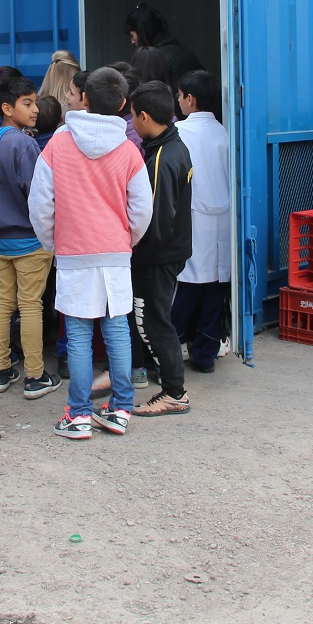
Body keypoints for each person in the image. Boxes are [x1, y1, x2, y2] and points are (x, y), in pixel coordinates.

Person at [29, 67, 151, 440]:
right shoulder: (129, 149)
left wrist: (52, 241)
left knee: (79, 334)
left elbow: (40, 204)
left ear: (84, 98)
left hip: (72, 252)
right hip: (115, 252)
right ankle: (120, 409)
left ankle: (79, 414)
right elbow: (142, 208)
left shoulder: (58, 144)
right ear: (124, 104)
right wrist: (125, 238)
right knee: (117, 330)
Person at [0, 76, 61, 400]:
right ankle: (35, 375)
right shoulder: (23, 144)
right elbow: (37, 192)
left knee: (2, 303)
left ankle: (1, 370)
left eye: (35, 101)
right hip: (29, 240)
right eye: (27, 103)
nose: (35, 109)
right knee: (30, 306)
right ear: (7, 108)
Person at [123, 81, 196, 418]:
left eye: (133, 115)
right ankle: (171, 387)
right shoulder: (170, 145)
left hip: (159, 255)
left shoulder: (161, 158)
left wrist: (136, 255)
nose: (131, 122)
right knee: (154, 319)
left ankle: (174, 393)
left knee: (155, 321)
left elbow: (156, 219)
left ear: (145, 117)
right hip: (170, 251)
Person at [172, 70, 233, 372]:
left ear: (189, 99)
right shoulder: (224, 132)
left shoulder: (179, 132)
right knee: (215, 290)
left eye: (179, 96)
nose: (178, 101)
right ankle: (206, 355)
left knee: (186, 288)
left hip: (193, 220)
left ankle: (169, 353)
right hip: (222, 222)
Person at [125, 2, 202, 89]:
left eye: (132, 36)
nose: (132, 41)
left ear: (142, 32)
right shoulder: (186, 53)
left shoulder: (154, 60)